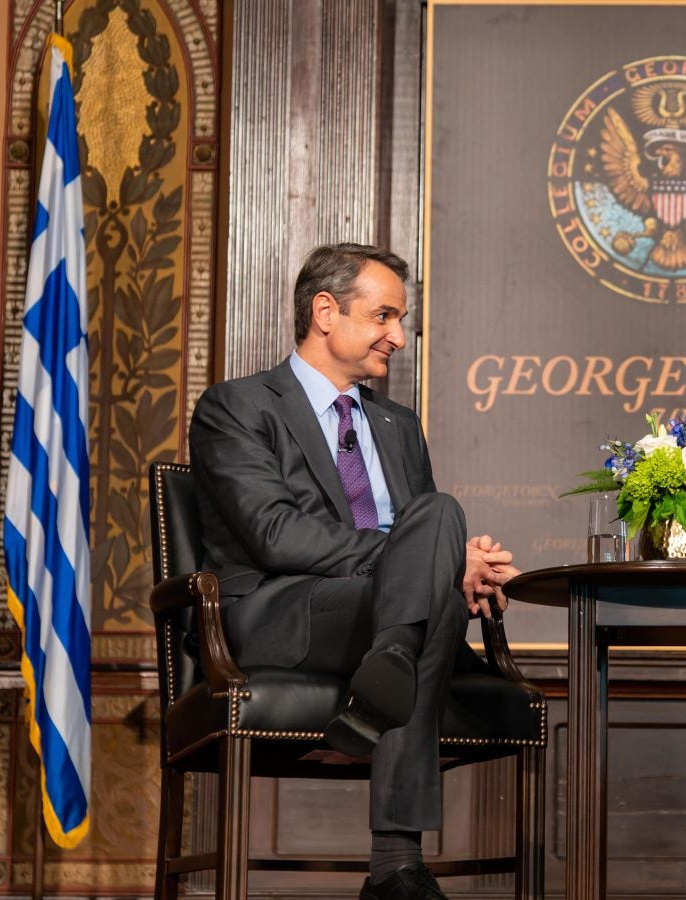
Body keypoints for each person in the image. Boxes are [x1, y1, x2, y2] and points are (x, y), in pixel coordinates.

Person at [190, 243, 518, 900]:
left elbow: (426, 538)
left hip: (383, 615)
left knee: (440, 514)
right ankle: (396, 861)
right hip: (284, 612)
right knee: (433, 566)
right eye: (384, 316)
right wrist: (441, 565)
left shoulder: (398, 425)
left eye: (400, 321)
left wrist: (447, 560)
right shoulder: (239, 407)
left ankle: (390, 662)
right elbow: (276, 536)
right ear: (325, 312)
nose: (398, 336)